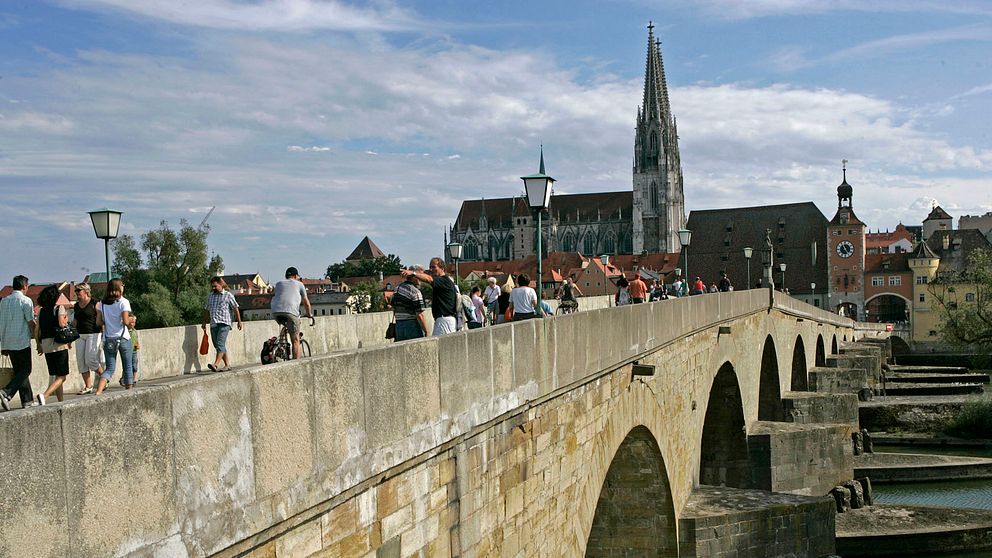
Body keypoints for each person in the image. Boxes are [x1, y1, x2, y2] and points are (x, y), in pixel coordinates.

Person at [0, 275, 38, 411]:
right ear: (24, 286)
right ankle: (7, 392)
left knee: (19, 371)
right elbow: (30, 322)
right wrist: (36, 335)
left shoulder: (3, 301)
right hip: (21, 341)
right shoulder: (26, 301)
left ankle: (27, 400)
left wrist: (2, 343)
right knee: (26, 369)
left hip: (7, 341)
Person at [35, 285, 72, 405]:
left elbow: (37, 330)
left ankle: (60, 401)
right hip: (58, 344)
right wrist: (66, 318)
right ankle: (45, 396)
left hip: (46, 344)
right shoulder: (58, 308)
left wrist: (38, 344)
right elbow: (62, 324)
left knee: (56, 375)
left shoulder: (41, 311)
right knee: (62, 376)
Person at [95, 278, 133, 394]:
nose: (123, 287)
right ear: (118, 288)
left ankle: (99, 391)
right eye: (122, 285)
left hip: (109, 339)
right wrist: (131, 323)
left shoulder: (102, 303)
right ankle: (129, 391)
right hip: (123, 338)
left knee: (110, 368)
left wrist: (108, 322)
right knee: (127, 366)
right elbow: (126, 321)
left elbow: (98, 322)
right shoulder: (123, 302)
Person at [405, 258, 459, 336]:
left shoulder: (444, 280)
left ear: (442, 268)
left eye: (433, 267)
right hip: (443, 320)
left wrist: (413, 273)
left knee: (440, 346)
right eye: (430, 267)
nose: (431, 269)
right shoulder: (443, 281)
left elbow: (429, 279)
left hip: (444, 320)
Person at [202, 276, 243, 371]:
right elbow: (206, 310)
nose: (213, 288)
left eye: (215, 286)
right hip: (213, 323)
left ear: (220, 284)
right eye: (212, 286)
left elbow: (235, 308)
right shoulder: (210, 296)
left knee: (220, 344)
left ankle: (215, 364)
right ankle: (227, 365)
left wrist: (239, 322)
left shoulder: (228, 295)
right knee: (218, 346)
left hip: (225, 323)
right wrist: (204, 322)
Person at [271, 267, 312, 360]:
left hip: (275, 311)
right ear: (295, 276)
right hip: (291, 311)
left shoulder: (278, 284)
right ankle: (296, 363)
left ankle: (281, 345)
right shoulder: (300, 284)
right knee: (295, 340)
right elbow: (306, 302)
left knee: (286, 324)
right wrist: (309, 314)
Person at [72, 283, 101, 395]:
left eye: (79, 290)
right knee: (81, 361)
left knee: (90, 359)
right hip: (80, 334)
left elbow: (100, 316)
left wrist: (102, 328)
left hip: (93, 333)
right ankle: (88, 386)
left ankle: (103, 377)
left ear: (86, 291)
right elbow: (75, 320)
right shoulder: (76, 305)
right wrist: (71, 331)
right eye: (76, 291)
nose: (77, 293)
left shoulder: (95, 302)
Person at [391, 270, 428, 341]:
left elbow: (393, 307)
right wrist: (426, 331)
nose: (421, 280)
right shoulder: (415, 291)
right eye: (419, 277)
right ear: (414, 278)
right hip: (412, 325)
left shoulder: (397, 289)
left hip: (399, 325)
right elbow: (420, 315)